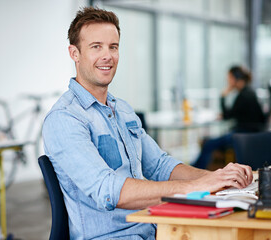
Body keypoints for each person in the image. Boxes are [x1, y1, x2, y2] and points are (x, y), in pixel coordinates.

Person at [42, 7, 253, 240]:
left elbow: (161, 167)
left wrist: (221, 180)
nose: (107, 56)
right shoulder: (65, 119)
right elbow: (109, 191)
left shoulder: (122, 110)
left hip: (154, 228)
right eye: (96, 47)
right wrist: (199, 186)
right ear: (74, 53)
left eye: (113, 47)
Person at [193, 65, 266, 169]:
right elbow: (234, 113)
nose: (228, 81)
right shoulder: (248, 92)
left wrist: (223, 96)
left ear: (236, 78)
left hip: (242, 134)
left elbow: (227, 116)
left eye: (229, 78)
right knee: (208, 141)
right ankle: (199, 167)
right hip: (246, 133)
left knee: (208, 143)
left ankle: (196, 169)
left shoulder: (243, 95)